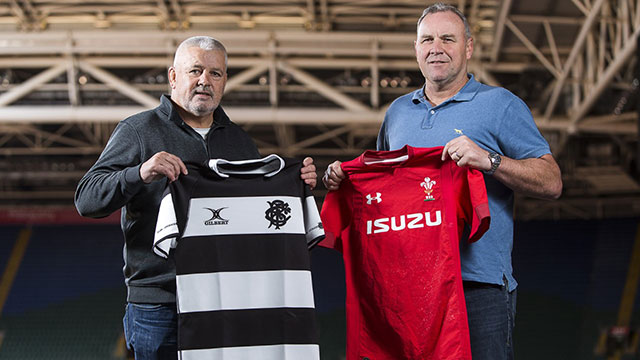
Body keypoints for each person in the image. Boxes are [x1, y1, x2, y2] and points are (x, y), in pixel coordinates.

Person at [322, 3, 562, 360]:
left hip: (477, 286)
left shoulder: (499, 104)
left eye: (448, 38)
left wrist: (489, 160)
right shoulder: (398, 112)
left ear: (468, 47)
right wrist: (344, 179)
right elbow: (387, 190)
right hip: (408, 285)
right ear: (416, 49)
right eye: (428, 39)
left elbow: (552, 182)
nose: (437, 47)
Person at [75, 36, 317, 360]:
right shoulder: (138, 130)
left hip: (226, 301)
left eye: (215, 74)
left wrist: (296, 182)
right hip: (159, 305)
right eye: (196, 71)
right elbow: (87, 199)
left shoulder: (240, 142)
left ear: (225, 81)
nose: (205, 81)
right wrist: (140, 173)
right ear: (174, 77)